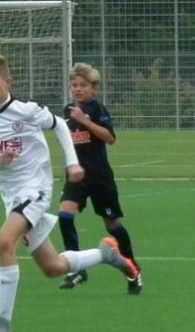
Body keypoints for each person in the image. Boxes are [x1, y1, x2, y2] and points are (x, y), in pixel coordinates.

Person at [0, 50, 139, 332]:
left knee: (4, 242)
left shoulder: (27, 110)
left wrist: (72, 163)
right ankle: (106, 254)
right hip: (12, 197)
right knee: (54, 267)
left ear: (8, 82)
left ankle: (2, 327)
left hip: (35, 188)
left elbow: (59, 124)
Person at [57, 63, 143, 295]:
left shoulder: (97, 109)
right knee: (64, 216)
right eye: (74, 85)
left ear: (93, 88)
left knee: (112, 225)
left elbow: (110, 137)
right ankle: (77, 269)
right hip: (77, 176)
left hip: (100, 178)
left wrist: (85, 121)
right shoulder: (67, 111)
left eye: (83, 85)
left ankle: (133, 269)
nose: (77, 89)